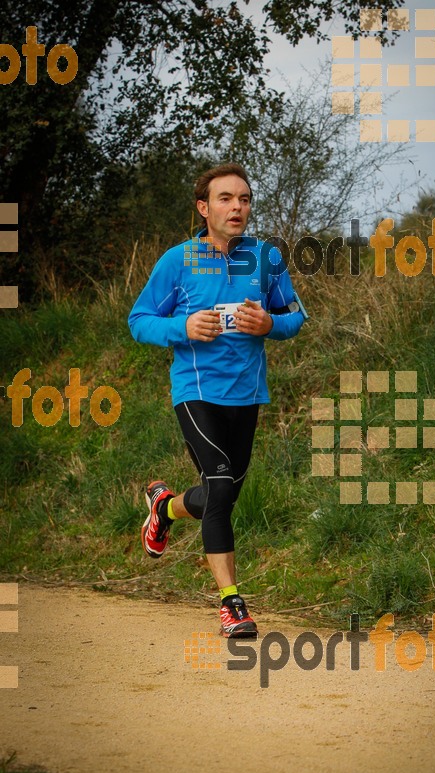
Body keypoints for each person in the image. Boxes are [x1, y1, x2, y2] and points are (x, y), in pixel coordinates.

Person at [128, 163, 306, 638]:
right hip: (196, 391)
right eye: (226, 199)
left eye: (244, 199)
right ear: (204, 208)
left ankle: (163, 507)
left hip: (247, 395)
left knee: (220, 496)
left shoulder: (265, 259)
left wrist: (270, 324)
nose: (238, 207)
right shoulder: (178, 261)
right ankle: (232, 605)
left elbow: (295, 315)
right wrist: (180, 328)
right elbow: (139, 319)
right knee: (222, 488)